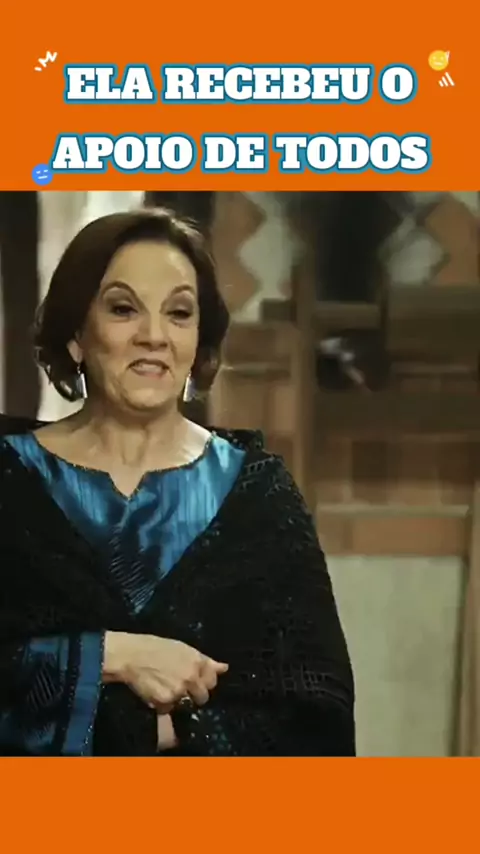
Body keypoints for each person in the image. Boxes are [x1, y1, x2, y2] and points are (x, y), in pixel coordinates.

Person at [0, 207, 355, 756]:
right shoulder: (10, 480)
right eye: (123, 309)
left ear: (199, 343)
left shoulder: (256, 493)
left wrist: (151, 731)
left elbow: (316, 715)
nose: (154, 336)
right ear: (76, 336)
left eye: (179, 313)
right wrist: (108, 656)